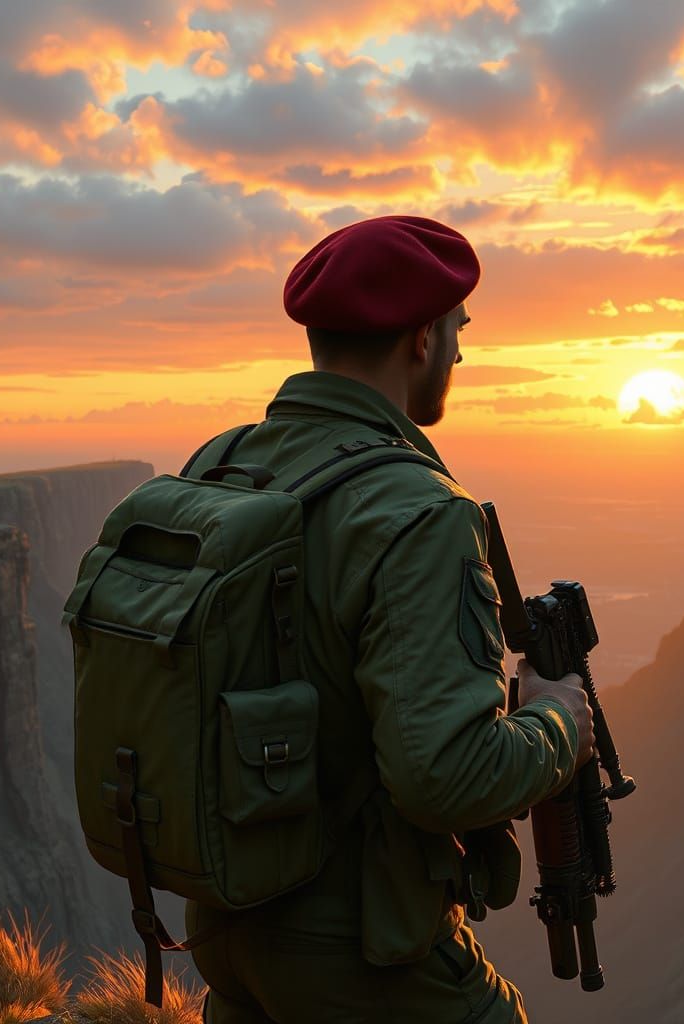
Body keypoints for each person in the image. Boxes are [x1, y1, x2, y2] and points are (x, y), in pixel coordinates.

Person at [184, 215, 595, 1023]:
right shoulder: (419, 513)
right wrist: (556, 722)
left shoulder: (223, 463)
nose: (462, 353)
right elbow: (444, 778)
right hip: (361, 954)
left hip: (228, 929)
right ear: (420, 339)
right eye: (457, 331)